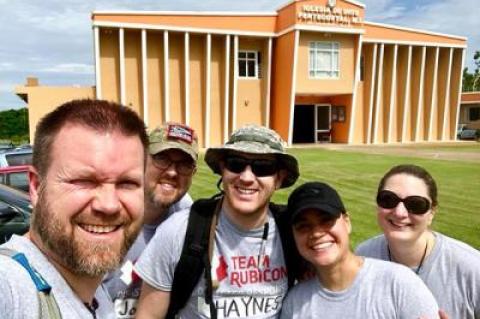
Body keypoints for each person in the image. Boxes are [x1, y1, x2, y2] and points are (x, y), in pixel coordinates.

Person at [0, 99, 148, 319]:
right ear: (36, 186)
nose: (108, 205)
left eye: (127, 183)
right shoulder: (11, 287)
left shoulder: (96, 294)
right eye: (84, 181)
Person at [135, 124, 300, 318]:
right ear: (223, 170)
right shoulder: (178, 231)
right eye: (236, 164)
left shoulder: (294, 233)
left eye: (263, 167)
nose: (247, 177)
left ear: (279, 178)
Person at [281, 181, 440, 319]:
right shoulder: (295, 302)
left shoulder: (398, 284)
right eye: (303, 226)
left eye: (326, 220)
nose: (316, 233)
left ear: (347, 222)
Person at [356, 164, 480, 319]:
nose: (400, 213)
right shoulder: (363, 257)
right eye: (388, 199)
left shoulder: (472, 269)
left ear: (432, 213)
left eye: (416, 204)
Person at [103, 122, 198, 318]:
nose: (172, 172)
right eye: (162, 158)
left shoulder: (188, 219)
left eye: (184, 164)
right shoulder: (106, 214)